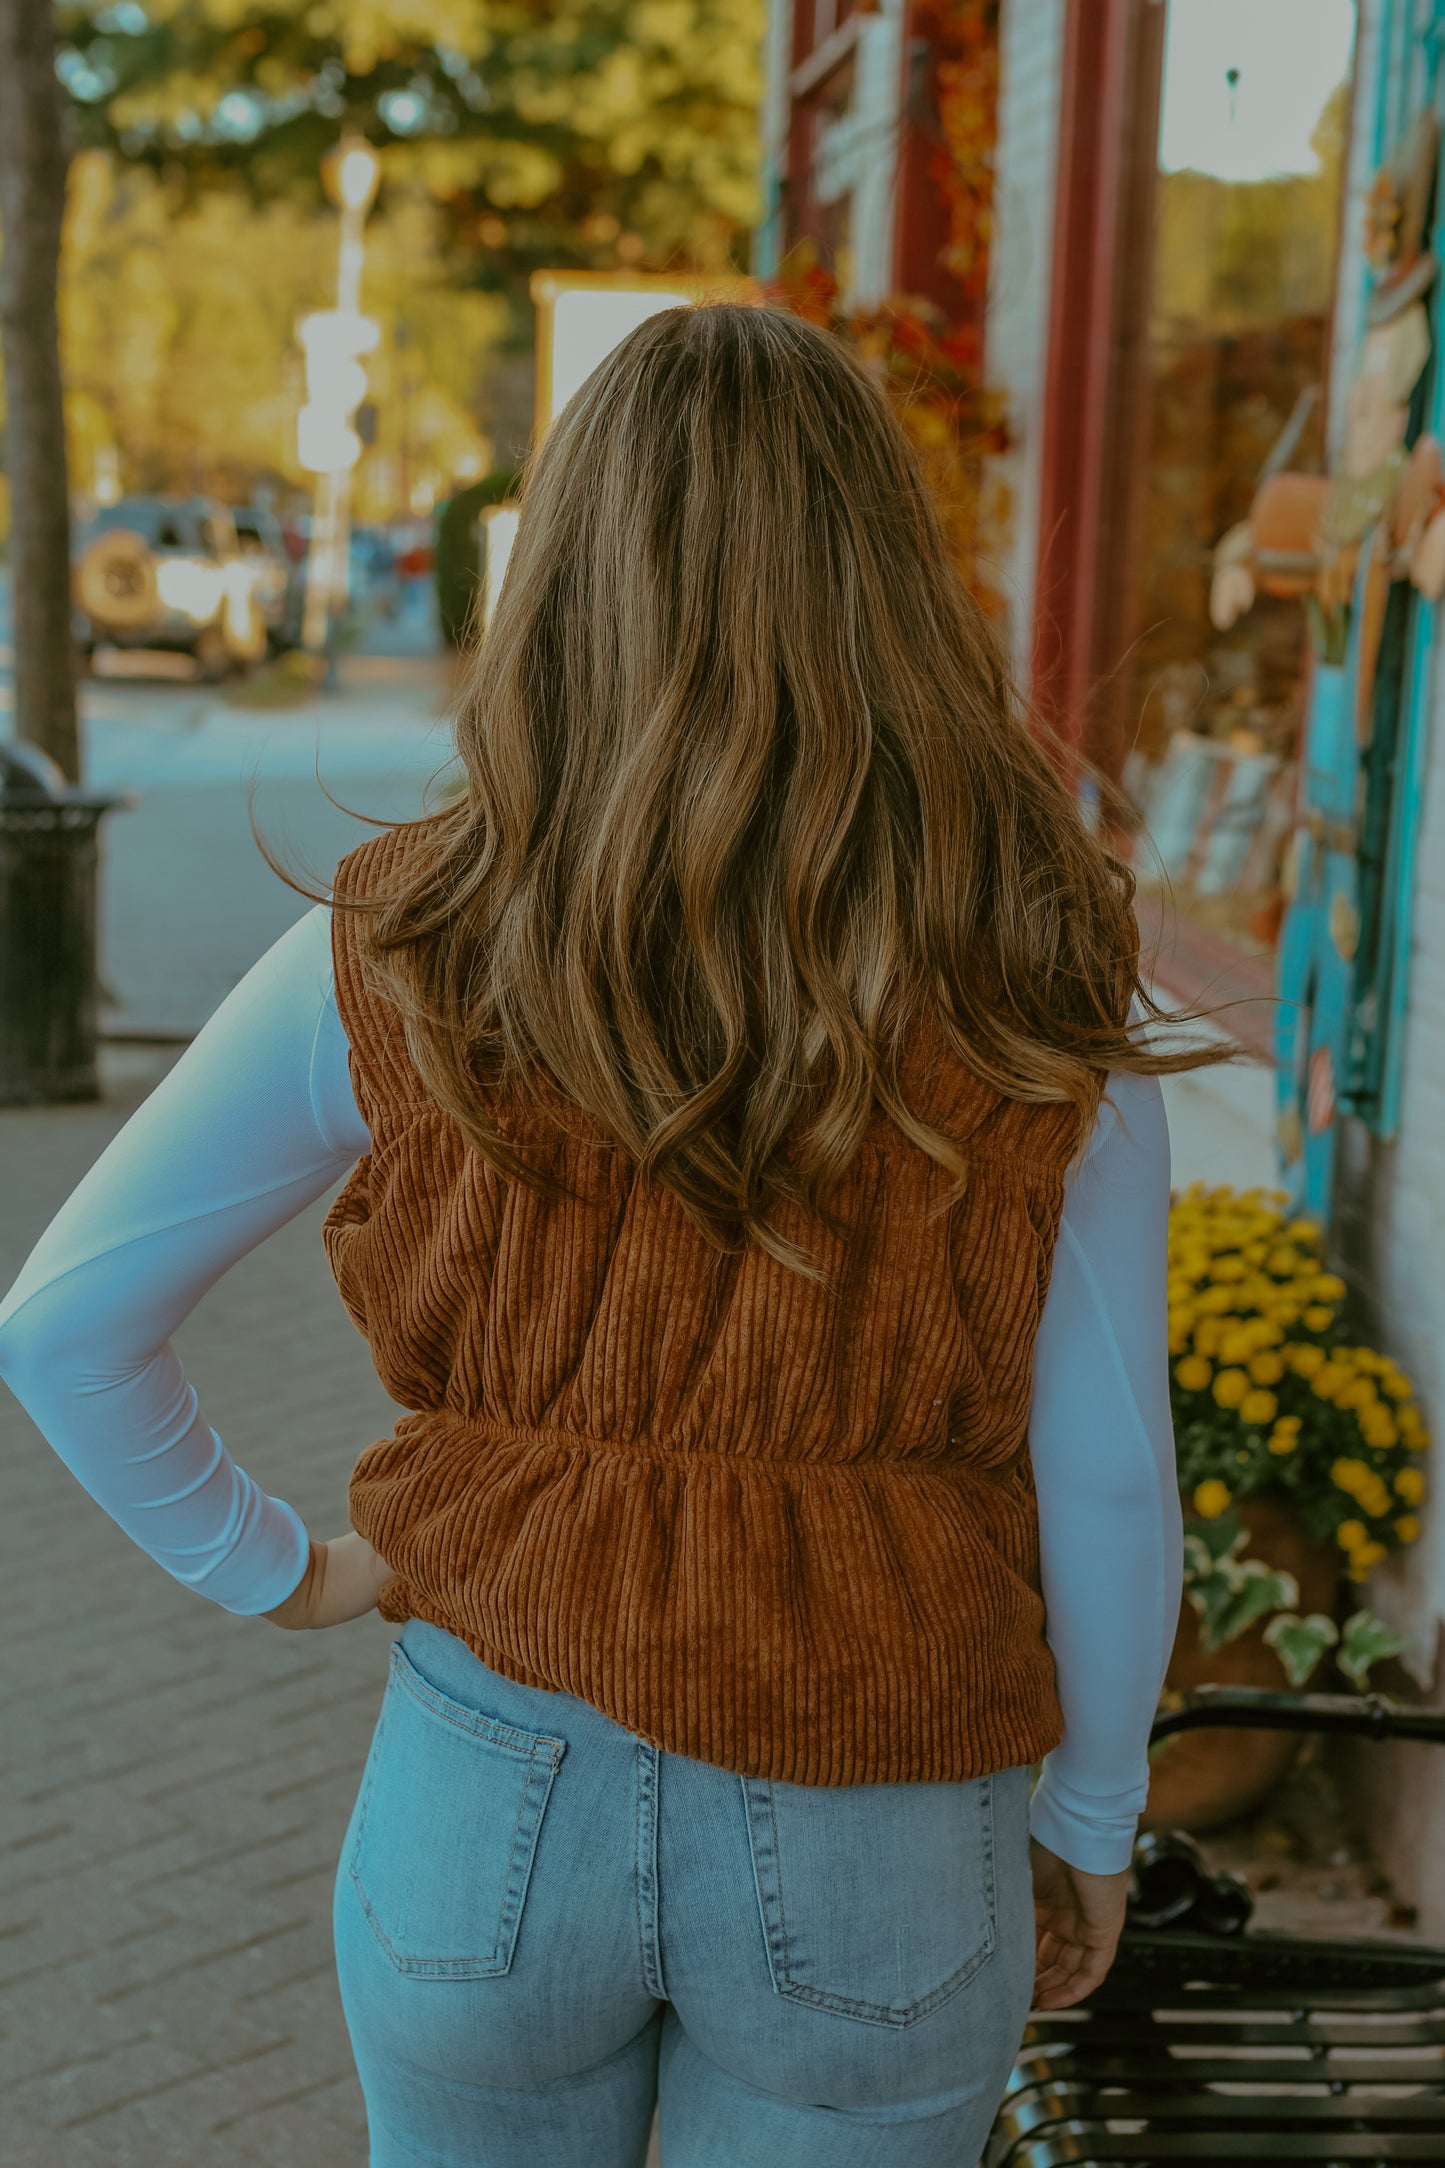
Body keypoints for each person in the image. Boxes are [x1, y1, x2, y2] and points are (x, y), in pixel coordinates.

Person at [0, 303, 1203, 2168]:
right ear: (887, 579)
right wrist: (1093, 1819)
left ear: (563, 577)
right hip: (883, 1803)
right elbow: (1110, 1469)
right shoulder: (1031, 948)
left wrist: (280, 1570)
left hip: (487, 1793)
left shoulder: (408, 933)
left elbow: (64, 1323)